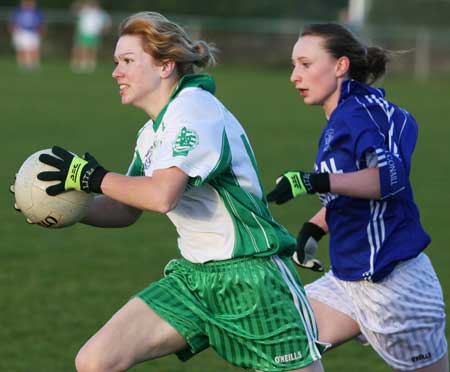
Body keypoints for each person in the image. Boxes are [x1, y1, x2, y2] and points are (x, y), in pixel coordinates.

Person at [18, 12, 326, 372]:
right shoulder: (152, 132)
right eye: (117, 62)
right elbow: (125, 208)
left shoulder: (194, 110)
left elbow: (162, 195)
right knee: (95, 361)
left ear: (165, 66)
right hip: (194, 281)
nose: (116, 72)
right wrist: (65, 208)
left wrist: (92, 177)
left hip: (252, 281)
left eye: (128, 62)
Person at [267, 23, 448, 372]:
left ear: (340, 66)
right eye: (294, 64)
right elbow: (352, 188)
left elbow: (388, 180)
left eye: (305, 64)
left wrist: (310, 181)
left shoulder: (356, 115)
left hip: (394, 289)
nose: (294, 76)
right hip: (349, 282)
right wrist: (315, 228)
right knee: (282, 345)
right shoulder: (356, 110)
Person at [70, 0, 111, 73]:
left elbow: (106, 21)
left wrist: (104, 29)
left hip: (94, 33)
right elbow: (74, 10)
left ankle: (91, 64)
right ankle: (81, 63)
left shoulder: (99, 12)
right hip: (84, 32)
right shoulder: (84, 10)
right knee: (82, 48)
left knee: (92, 48)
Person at [9, 0, 45, 70]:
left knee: (33, 48)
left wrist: (40, 31)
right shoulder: (17, 11)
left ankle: (33, 64)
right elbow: (13, 22)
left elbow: (41, 23)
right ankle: (22, 64)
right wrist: (13, 30)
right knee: (22, 49)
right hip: (21, 32)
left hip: (33, 32)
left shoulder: (37, 12)